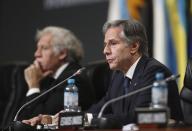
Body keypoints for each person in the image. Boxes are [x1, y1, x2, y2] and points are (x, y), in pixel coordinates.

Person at [23, 19, 183, 127]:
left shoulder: (154, 72)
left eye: (113, 44)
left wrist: (88, 119)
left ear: (134, 46)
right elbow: (98, 109)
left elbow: (140, 117)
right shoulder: (119, 76)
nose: (105, 51)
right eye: (105, 44)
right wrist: (55, 120)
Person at [17, 26, 94, 120]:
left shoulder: (74, 79)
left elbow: (42, 120)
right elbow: (21, 118)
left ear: (62, 53)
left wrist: (33, 86)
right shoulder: (49, 79)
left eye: (44, 48)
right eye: (37, 48)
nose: (36, 54)